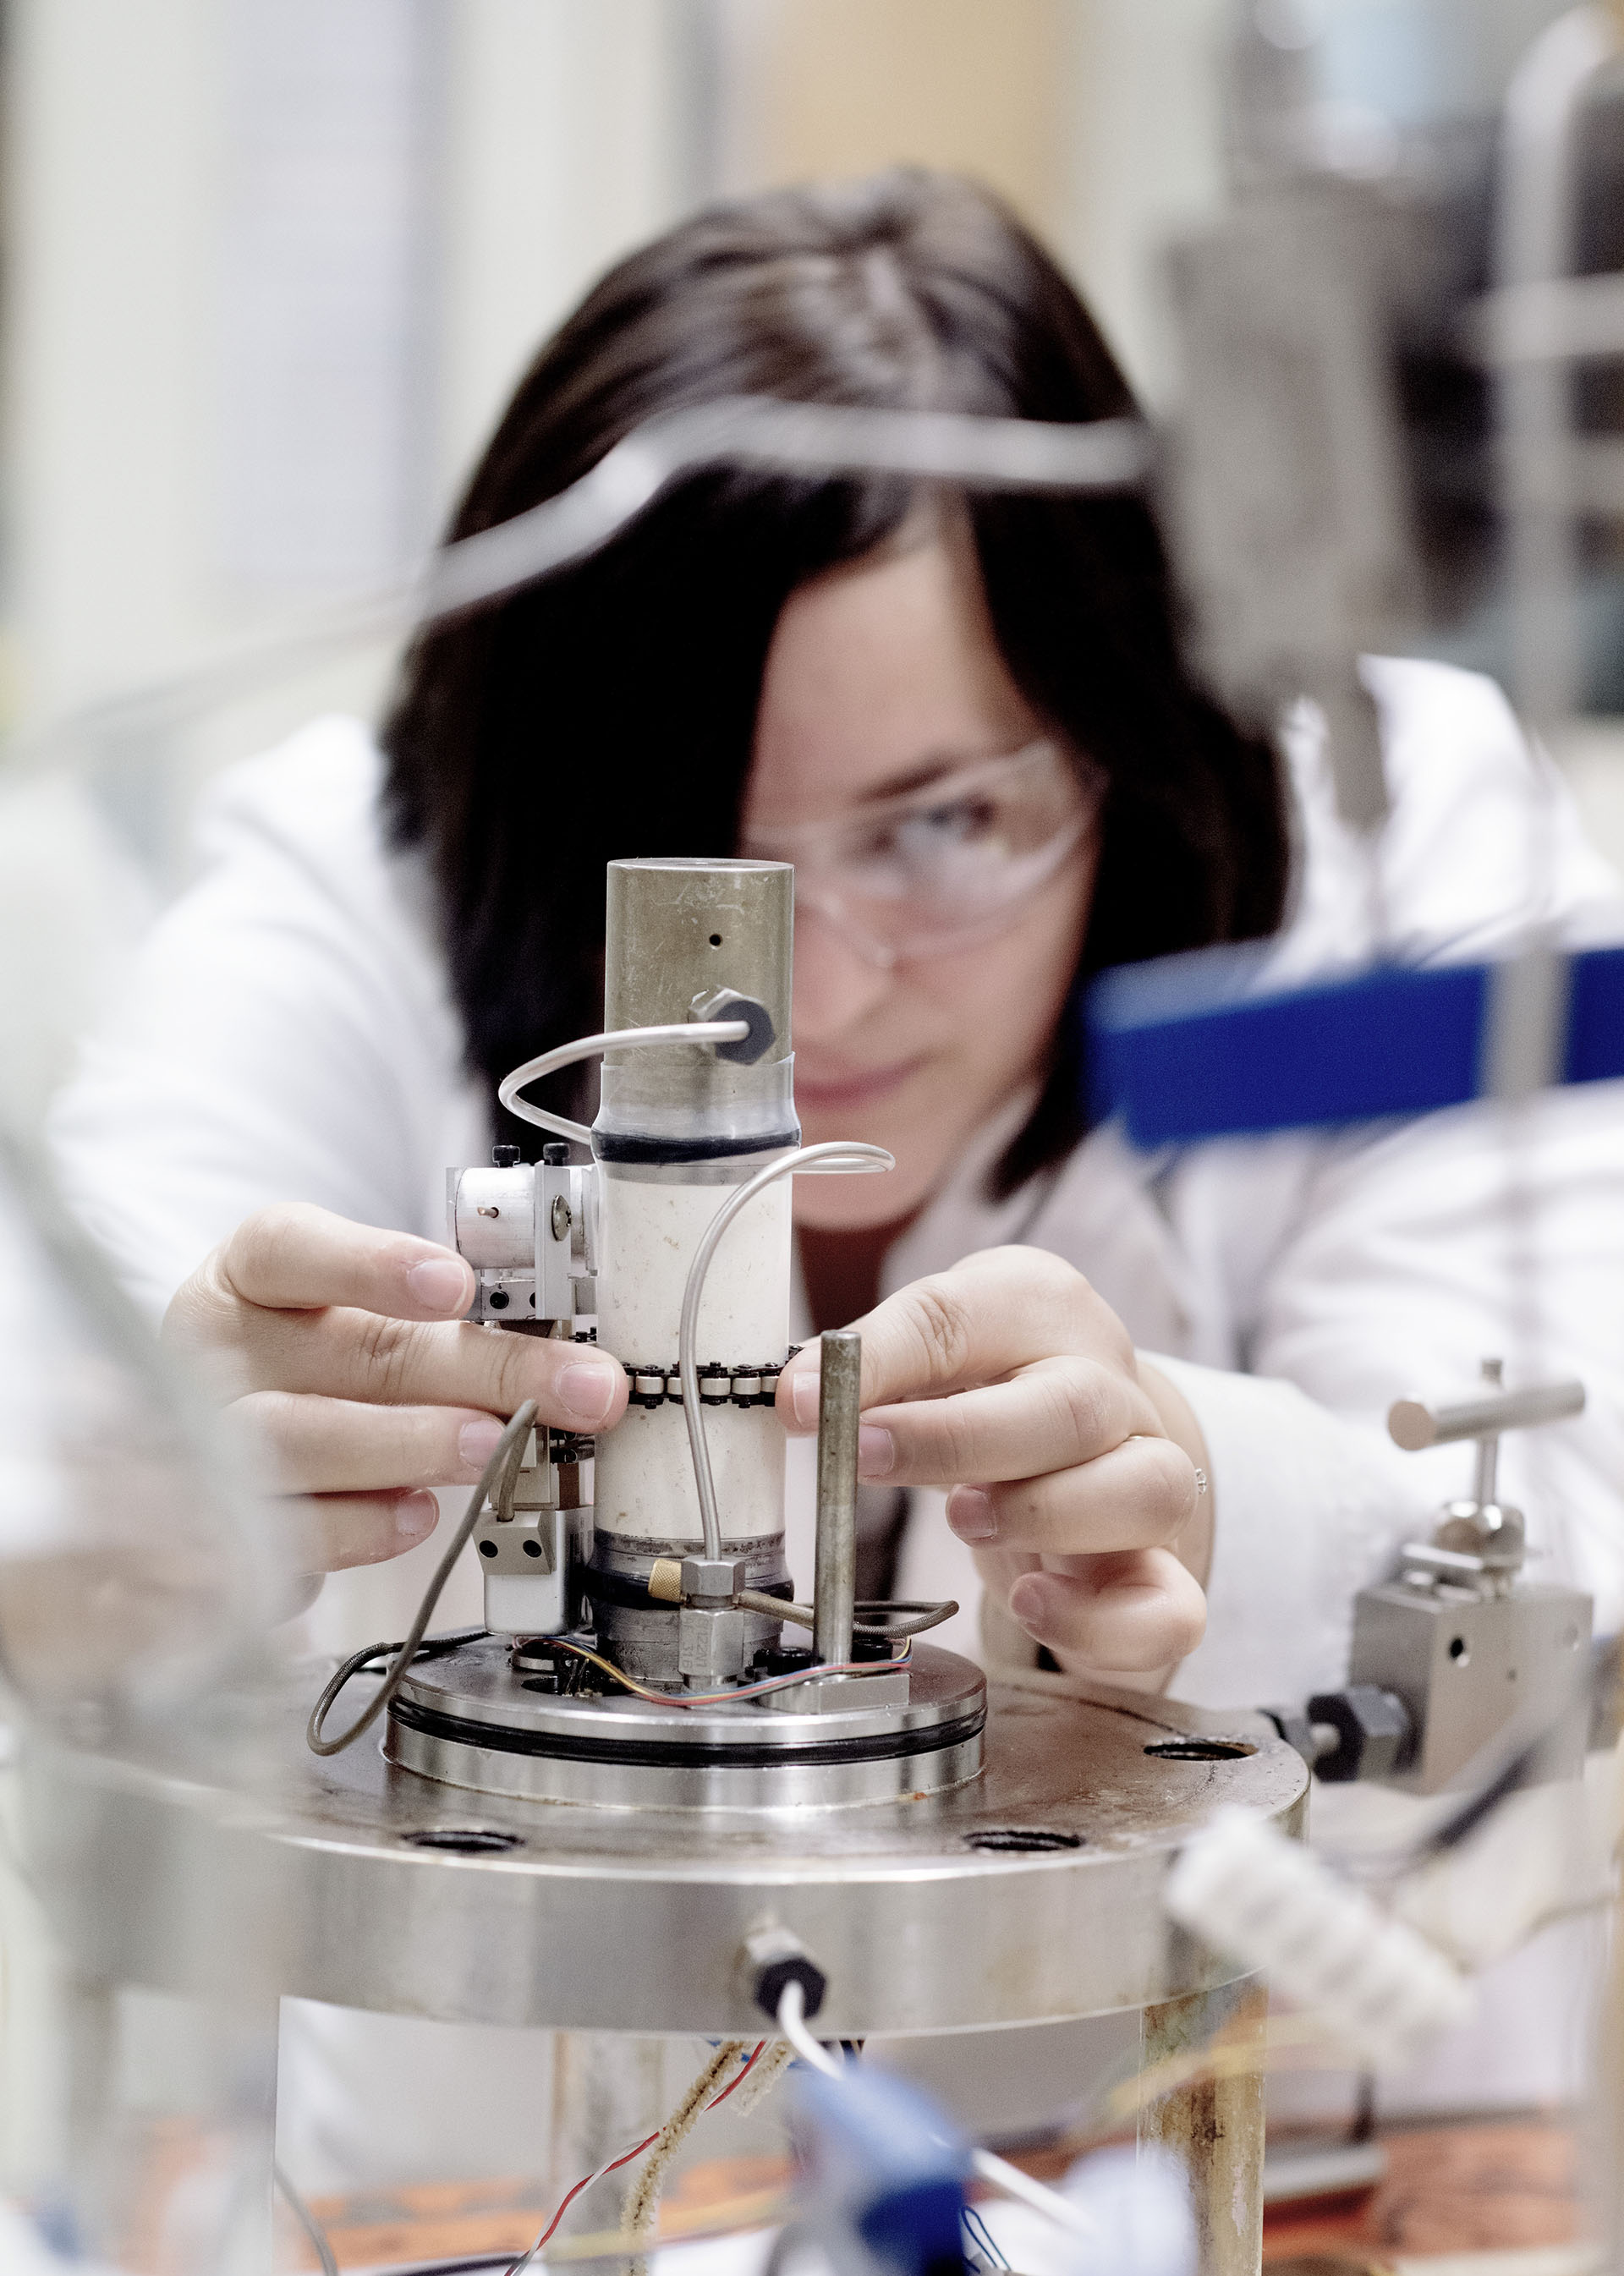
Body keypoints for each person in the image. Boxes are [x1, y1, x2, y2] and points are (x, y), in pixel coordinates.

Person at [52, 169, 1624, 2153]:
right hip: (488, 2249)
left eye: (941, 825)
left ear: (1118, 746)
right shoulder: (367, 876)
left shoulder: (1402, 860)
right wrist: (159, 1466)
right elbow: (52, 1395)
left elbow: (1575, 1524)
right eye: (700, 868)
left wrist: (1213, 1487)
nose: (796, 1001)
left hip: (1275, 2206)